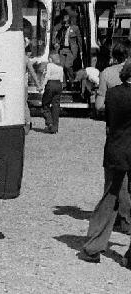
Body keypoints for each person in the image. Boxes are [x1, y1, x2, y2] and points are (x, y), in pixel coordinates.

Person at [79, 60, 131, 266]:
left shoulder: (114, 94)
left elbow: (102, 112)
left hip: (116, 149)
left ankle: (93, 247)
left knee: (109, 198)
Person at [94, 40, 131, 234]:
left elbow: (99, 106)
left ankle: (122, 219)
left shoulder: (107, 73)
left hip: (115, 128)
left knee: (117, 176)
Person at [41, 53, 64, 134]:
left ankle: (49, 123)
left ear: (50, 59)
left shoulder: (49, 65)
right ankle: (55, 127)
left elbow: (47, 76)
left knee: (45, 104)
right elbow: (61, 79)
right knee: (56, 106)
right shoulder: (60, 67)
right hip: (59, 85)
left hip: (51, 84)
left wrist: (42, 86)